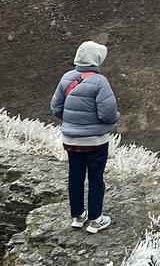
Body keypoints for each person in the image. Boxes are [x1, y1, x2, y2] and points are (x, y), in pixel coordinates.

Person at [50, 40, 120, 234]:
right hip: (95, 141)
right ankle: (96, 219)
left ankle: (78, 217)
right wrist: (115, 119)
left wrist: (74, 122)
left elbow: (55, 108)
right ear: (96, 60)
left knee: (75, 175)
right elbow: (107, 113)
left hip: (70, 140)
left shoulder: (66, 78)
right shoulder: (100, 82)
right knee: (96, 177)